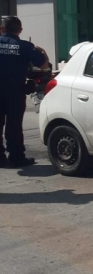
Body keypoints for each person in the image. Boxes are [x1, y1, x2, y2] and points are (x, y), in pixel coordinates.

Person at [0, 16, 49, 168]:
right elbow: (43, 65)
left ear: (2, 29)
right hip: (15, 91)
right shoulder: (25, 46)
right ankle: (16, 157)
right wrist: (43, 52)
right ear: (20, 30)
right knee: (14, 126)